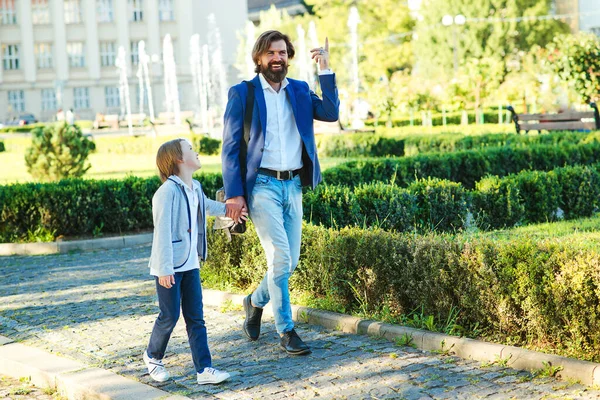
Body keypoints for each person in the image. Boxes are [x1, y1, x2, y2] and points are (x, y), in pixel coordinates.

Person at [221, 30, 339, 355]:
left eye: (283, 53)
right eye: (271, 53)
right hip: (261, 186)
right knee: (281, 257)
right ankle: (286, 330)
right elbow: (231, 148)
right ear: (259, 58)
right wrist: (234, 194)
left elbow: (331, 112)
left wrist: (325, 70)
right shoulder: (242, 94)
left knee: (291, 260)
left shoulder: (299, 90)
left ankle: (255, 301)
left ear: (289, 57)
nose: (277, 58)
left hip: (293, 184)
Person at [144, 138, 246, 384]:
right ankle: (152, 356)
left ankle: (204, 370)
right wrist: (165, 269)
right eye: (190, 149)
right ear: (179, 159)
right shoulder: (166, 192)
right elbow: (163, 233)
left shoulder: (195, 187)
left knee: (196, 318)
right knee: (169, 316)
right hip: (168, 267)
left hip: (191, 264)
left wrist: (230, 210)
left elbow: (207, 206)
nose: (196, 151)